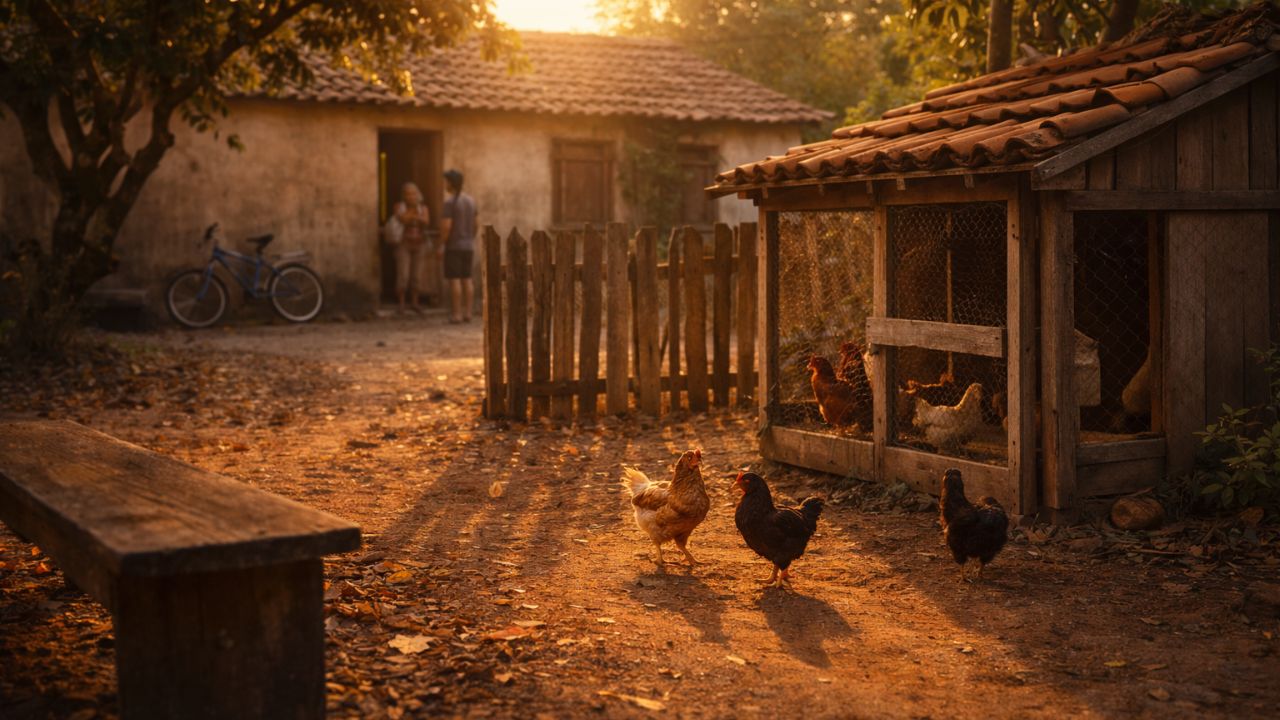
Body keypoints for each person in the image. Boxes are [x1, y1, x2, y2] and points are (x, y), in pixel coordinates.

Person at [438, 169, 477, 323]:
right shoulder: (471, 201)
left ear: (451, 183)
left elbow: (447, 227)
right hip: (468, 246)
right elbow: (475, 224)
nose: (444, 184)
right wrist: (468, 238)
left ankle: (456, 314)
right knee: (467, 279)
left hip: (454, 246)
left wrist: (441, 245)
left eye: (446, 181)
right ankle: (468, 313)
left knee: (454, 280)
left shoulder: (449, 203)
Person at [391, 182, 430, 314]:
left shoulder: (423, 208)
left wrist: (412, 216)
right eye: (408, 193)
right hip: (404, 244)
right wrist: (414, 216)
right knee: (403, 275)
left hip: (419, 244)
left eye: (413, 193)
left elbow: (425, 221)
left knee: (416, 275)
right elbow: (402, 219)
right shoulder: (398, 206)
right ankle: (401, 304)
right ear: (404, 196)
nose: (411, 196)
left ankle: (415, 302)